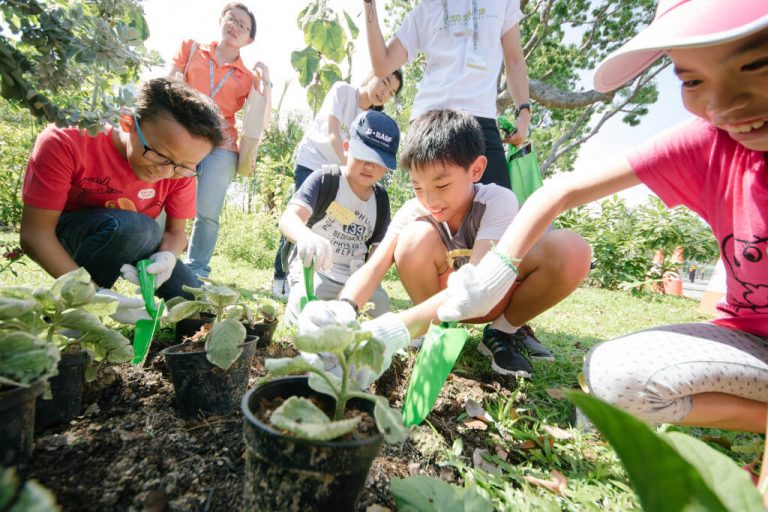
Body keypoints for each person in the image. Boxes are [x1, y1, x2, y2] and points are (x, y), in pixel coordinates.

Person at [434, 0, 768, 432]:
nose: (724, 105)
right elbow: (561, 190)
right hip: (749, 338)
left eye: (756, 65)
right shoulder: (710, 143)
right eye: (693, 80)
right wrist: (493, 274)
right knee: (611, 380)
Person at [302, 109, 591, 378]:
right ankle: (432, 330)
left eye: (441, 185)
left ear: (476, 170)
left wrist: (393, 328)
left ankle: (501, 333)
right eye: (417, 187)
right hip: (440, 301)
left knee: (571, 248)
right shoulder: (415, 209)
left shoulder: (497, 200)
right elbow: (374, 268)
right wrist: (344, 309)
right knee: (411, 239)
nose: (430, 200)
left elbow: (478, 290)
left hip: (491, 295)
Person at [20, 77, 224, 323]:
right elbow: (35, 235)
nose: (166, 173)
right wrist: (92, 296)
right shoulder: (66, 140)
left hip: (134, 236)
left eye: (184, 166)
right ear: (127, 121)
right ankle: (72, 313)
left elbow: (176, 233)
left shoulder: (178, 165)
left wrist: (167, 257)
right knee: (139, 229)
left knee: (199, 307)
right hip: (69, 234)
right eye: (159, 155)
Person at [361, 0, 532, 191]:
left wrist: (524, 112)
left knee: (501, 205)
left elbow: (515, 59)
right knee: (439, 213)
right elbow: (382, 65)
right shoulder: (426, 9)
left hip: (481, 119)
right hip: (431, 120)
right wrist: (369, 5)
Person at [271, 70, 404, 298]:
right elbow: (334, 134)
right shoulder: (343, 91)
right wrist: (348, 171)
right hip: (315, 162)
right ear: (372, 73)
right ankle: (281, 274)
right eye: (385, 83)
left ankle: (334, 270)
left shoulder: (374, 119)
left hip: (346, 174)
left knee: (338, 218)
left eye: (392, 92)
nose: (385, 93)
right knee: (303, 217)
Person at [170, 2, 271, 278]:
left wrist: (266, 82)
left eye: (243, 25)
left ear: (250, 39)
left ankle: (197, 269)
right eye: (232, 19)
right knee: (168, 199)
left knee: (208, 213)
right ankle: (160, 258)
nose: (235, 26)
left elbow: (260, 120)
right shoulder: (191, 49)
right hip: (184, 138)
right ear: (221, 19)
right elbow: (169, 85)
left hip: (221, 147)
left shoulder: (248, 77)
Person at [279, 110, 400, 325]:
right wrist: (305, 237)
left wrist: (363, 282)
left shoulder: (381, 199)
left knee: (380, 310)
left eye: (378, 161)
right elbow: (289, 219)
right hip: (316, 270)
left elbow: (377, 251)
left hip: (356, 277)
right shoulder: (325, 179)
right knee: (304, 308)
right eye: (364, 156)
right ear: (346, 147)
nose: (370, 166)